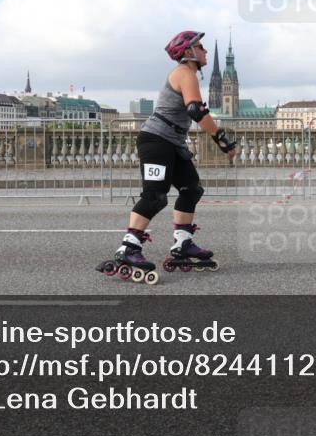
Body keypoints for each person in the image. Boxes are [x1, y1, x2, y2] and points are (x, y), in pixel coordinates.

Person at [98, 30, 237, 284]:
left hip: (172, 143)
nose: (205, 50)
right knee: (155, 196)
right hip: (156, 142)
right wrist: (222, 140)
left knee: (191, 189)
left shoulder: (188, 73)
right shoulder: (184, 73)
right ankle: (129, 247)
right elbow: (195, 110)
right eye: (201, 46)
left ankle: (183, 243)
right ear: (188, 51)